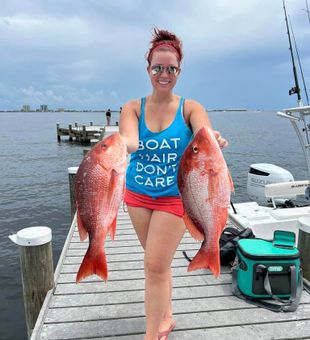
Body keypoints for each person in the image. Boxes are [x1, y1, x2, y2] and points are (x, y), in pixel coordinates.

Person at [119, 28, 228, 340]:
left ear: (179, 71)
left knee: (153, 264)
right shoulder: (133, 108)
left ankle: (151, 335)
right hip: (137, 195)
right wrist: (116, 145)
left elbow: (203, 133)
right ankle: (165, 315)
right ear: (148, 69)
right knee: (159, 264)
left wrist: (213, 139)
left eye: (171, 68)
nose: (163, 74)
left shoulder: (190, 108)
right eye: (157, 68)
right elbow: (129, 139)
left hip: (175, 195)